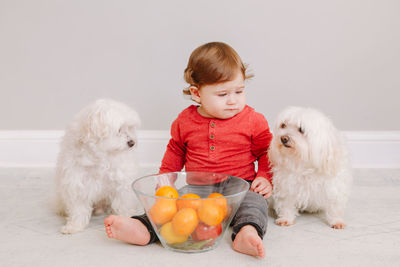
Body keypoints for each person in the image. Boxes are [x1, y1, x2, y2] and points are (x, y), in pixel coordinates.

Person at [104, 42, 273, 258]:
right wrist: (167, 176)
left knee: (255, 203)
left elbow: (267, 152)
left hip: (240, 186)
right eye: (222, 95)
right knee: (174, 207)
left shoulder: (253, 121)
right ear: (197, 93)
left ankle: (246, 232)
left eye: (239, 91)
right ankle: (144, 228)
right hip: (200, 186)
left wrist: (265, 177)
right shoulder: (185, 121)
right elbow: (175, 149)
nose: (233, 101)